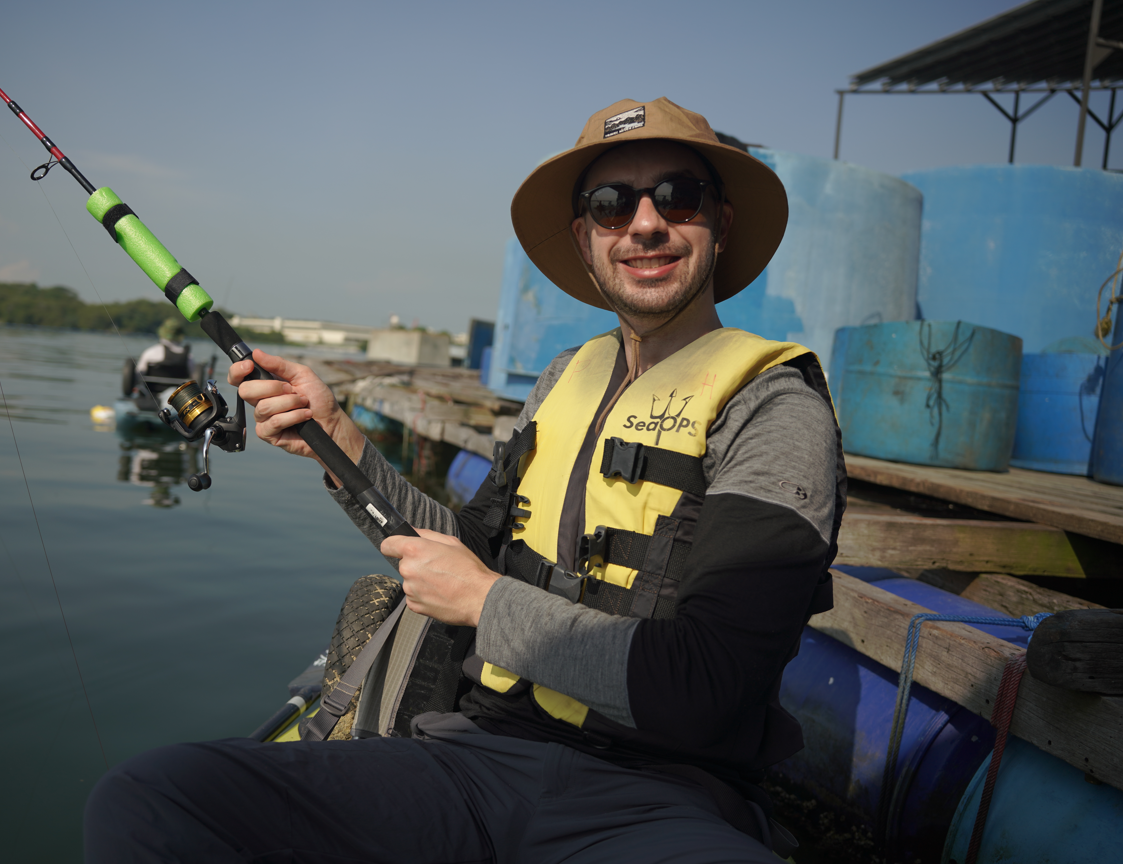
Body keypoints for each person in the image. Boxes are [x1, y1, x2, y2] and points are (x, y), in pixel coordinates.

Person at [85, 97, 845, 863]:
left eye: (677, 196)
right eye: (611, 204)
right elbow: (463, 549)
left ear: (721, 223)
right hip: (470, 761)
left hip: (660, 798)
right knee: (154, 797)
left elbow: (711, 683)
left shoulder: (776, 408)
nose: (644, 223)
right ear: (584, 239)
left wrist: (484, 601)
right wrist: (340, 445)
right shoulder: (562, 379)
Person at [134, 319, 196, 402]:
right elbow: (195, 380)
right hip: (176, 401)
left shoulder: (150, 353)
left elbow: (137, 376)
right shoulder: (188, 357)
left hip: (150, 397)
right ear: (180, 335)